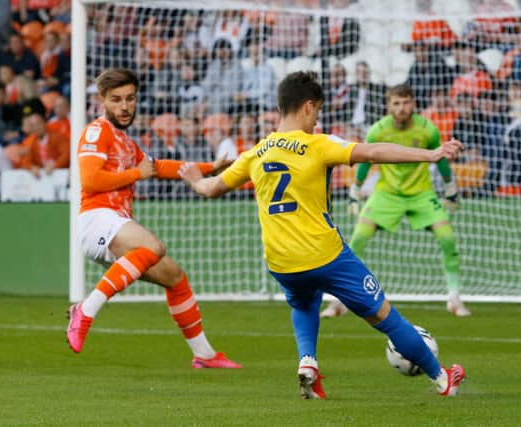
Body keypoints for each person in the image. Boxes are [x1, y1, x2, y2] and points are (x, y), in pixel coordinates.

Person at [178, 71, 465, 399]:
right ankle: (443, 379)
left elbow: (210, 188)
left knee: (304, 303)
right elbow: (372, 153)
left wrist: (192, 176)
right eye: (317, 113)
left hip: (280, 261)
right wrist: (430, 155)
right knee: (386, 317)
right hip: (325, 255)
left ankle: (308, 363)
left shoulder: (256, 152)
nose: (316, 121)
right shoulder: (318, 144)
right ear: (308, 107)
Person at [66, 68, 241, 369]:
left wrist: (210, 167)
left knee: (175, 277)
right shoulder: (97, 132)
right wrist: (137, 173)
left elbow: (160, 167)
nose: (124, 106)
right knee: (155, 246)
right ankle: (85, 309)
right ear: (103, 101)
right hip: (97, 218)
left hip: (115, 224)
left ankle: (205, 355)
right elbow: (91, 180)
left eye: (130, 99)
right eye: (116, 100)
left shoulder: (125, 141)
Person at [321, 84, 471, 319]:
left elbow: (440, 158)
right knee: (357, 239)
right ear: (388, 106)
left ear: (413, 103)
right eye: (397, 103)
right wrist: (355, 192)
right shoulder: (377, 131)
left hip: (421, 193)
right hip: (387, 194)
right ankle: (341, 301)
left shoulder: (427, 129)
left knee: (447, 238)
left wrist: (450, 188)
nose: (402, 108)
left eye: (406, 102)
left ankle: (454, 297)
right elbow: (366, 161)